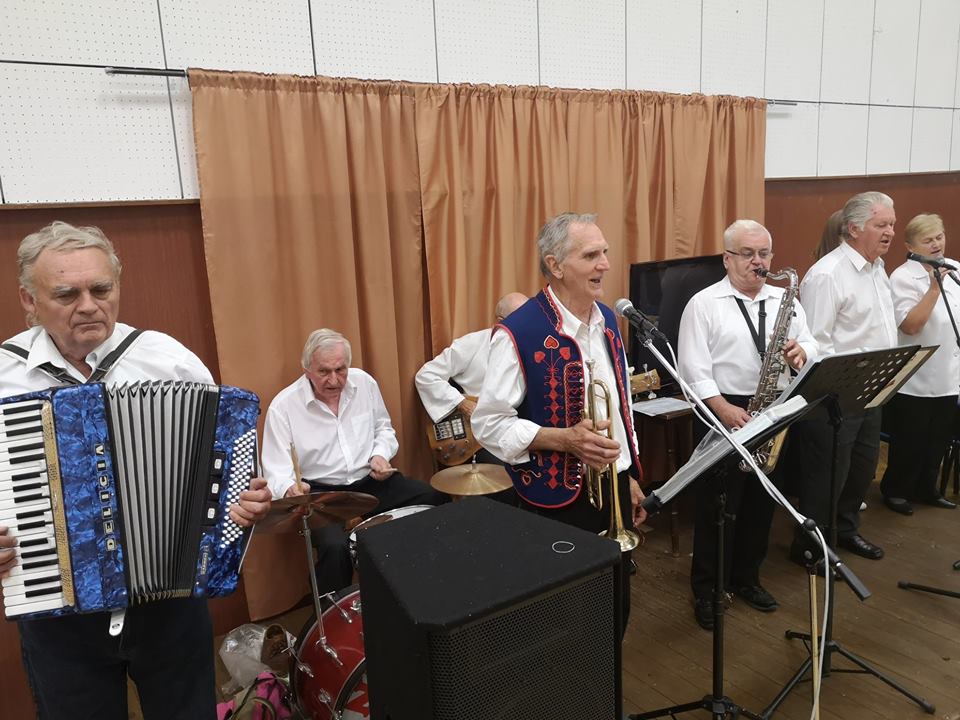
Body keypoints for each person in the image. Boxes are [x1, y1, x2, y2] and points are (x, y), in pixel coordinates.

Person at [0, 221, 272, 720]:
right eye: (67, 294)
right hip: (58, 614)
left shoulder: (168, 360)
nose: (89, 305)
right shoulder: (4, 377)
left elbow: (222, 469)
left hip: (171, 606)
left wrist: (243, 504)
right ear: (29, 300)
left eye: (101, 289)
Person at [471, 212, 646, 629]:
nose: (605, 264)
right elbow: (489, 424)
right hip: (557, 501)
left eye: (605, 252)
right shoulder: (519, 331)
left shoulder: (608, 321)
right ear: (555, 265)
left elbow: (619, 407)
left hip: (613, 488)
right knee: (566, 618)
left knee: (615, 608)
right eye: (591, 255)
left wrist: (628, 476)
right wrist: (564, 439)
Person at [678, 219, 817, 630]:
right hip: (724, 409)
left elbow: (812, 342)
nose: (758, 262)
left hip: (775, 407)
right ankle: (708, 589)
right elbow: (692, 367)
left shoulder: (785, 298)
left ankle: (746, 578)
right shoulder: (703, 303)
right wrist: (722, 408)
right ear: (727, 258)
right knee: (718, 506)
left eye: (764, 254)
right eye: (747, 254)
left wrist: (801, 352)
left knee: (761, 501)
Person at [261, 328, 446, 593]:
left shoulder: (364, 383)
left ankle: (420, 584)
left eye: (341, 370)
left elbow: (383, 429)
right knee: (335, 547)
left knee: (433, 498)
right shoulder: (284, 407)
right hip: (322, 493)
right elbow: (275, 469)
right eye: (324, 372)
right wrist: (291, 489)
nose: (334, 380)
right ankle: (332, 609)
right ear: (307, 370)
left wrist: (380, 454)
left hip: (370, 479)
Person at [790, 191, 899, 563]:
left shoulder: (878, 267)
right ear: (854, 229)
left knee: (862, 469)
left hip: (874, 387)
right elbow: (814, 342)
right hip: (836, 395)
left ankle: (846, 530)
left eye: (892, 224)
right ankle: (812, 548)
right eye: (881, 225)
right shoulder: (827, 275)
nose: (890, 232)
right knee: (827, 477)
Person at [880, 214, 959, 515]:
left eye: (939, 236)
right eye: (928, 240)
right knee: (910, 441)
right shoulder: (902, 278)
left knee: (938, 440)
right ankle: (896, 490)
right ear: (910, 246)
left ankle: (928, 489)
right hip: (915, 377)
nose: (936, 244)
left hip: (949, 375)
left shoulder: (954, 268)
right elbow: (911, 326)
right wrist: (933, 289)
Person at [415, 291, 527, 425]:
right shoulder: (473, 343)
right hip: (476, 427)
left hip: (517, 425)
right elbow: (427, 375)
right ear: (501, 321)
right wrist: (461, 403)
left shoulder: (536, 349)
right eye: (521, 320)